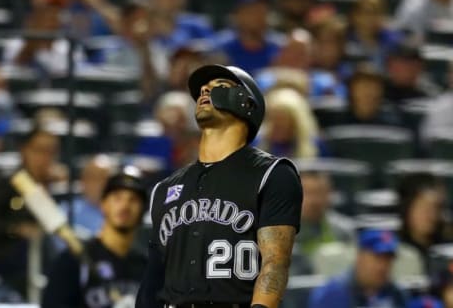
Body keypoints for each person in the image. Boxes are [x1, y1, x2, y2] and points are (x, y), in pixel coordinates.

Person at [136, 64, 303, 307]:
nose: (204, 92)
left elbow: (275, 263)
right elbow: (153, 279)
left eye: (219, 88)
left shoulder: (272, 174)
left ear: (247, 103)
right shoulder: (165, 188)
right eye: (202, 89)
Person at [0, 126, 65, 297]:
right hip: (11, 267)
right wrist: (16, 228)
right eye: (40, 150)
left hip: (48, 265)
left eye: (51, 151)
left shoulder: (61, 190)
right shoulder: (7, 185)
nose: (45, 157)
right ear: (25, 150)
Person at [42, 169, 148, 308]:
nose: (125, 206)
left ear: (142, 211)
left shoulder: (147, 267)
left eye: (133, 200)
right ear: (103, 204)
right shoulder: (74, 260)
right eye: (117, 197)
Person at [308, 229, 408, 308]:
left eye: (388, 259)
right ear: (360, 258)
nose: (383, 266)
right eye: (378, 258)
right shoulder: (332, 294)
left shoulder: (396, 293)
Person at [216, 0, 284, 74]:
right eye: (252, 12)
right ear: (238, 15)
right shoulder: (221, 46)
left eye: (263, 11)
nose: (258, 17)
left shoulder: (280, 46)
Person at [397, 173, 450, 270]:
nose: (432, 216)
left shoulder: (448, 248)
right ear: (407, 208)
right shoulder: (391, 250)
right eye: (424, 208)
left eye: (436, 208)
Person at [259, 87, 325, 158]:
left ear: (297, 123)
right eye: (272, 119)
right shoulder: (258, 143)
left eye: (282, 120)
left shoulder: (316, 144)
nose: (276, 125)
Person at [62, 154, 115, 237]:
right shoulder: (66, 211)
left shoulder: (120, 212)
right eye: (93, 177)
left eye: (104, 178)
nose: (99, 184)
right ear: (83, 181)